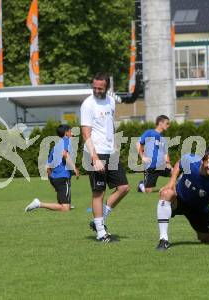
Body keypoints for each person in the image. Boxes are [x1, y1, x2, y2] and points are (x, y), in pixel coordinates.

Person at [155, 149, 209, 251]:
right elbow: (180, 162)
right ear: (202, 160)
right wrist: (172, 181)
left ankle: (199, 227)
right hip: (179, 199)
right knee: (166, 193)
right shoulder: (192, 162)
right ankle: (163, 239)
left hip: (198, 209)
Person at [80, 72, 130, 243]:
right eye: (94, 87)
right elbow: (85, 133)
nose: (96, 90)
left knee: (123, 187)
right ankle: (101, 233)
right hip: (95, 152)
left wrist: (114, 145)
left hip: (110, 152)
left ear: (107, 87)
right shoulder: (88, 104)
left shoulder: (111, 101)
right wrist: (95, 157)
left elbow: (109, 126)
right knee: (98, 193)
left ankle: (99, 221)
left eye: (100, 88)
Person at [25, 124, 79, 212]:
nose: (72, 133)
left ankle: (65, 204)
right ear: (66, 133)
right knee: (65, 208)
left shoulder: (55, 146)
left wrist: (52, 182)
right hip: (63, 178)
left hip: (55, 178)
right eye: (70, 131)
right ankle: (39, 204)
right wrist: (74, 168)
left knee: (63, 205)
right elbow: (65, 154)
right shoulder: (66, 141)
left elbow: (47, 168)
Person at [136, 115, 172, 193]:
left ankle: (171, 188)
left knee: (175, 172)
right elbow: (138, 143)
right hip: (151, 167)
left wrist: (168, 163)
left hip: (161, 166)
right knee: (148, 191)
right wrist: (142, 157)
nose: (168, 126)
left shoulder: (163, 138)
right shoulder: (150, 132)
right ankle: (141, 185)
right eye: (167, 123)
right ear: (160, 123)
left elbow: (165, 153)